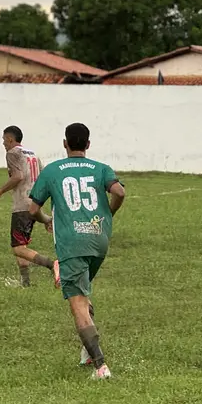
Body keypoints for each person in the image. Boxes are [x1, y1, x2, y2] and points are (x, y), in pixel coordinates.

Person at [28, 123, 126, 381]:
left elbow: (31, 209)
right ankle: (86, 352)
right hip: (98, 240)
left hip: (72, 243)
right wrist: (109, 213)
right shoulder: (101, 168)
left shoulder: (52, 171)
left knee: (78, 305)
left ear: (65, 144)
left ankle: (101, 367)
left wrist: (46, 219)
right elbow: (119, 191)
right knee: (84, 289)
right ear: (88, 145)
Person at [0, 125, 57, 287]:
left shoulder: (12, 153)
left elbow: (18, 176)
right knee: (21, 244)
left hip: (22, 205)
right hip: (34, 202)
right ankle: (25, 283)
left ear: (10, 139)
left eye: (4, 139)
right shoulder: (33, 154)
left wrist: (0, 191)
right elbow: (42, 177)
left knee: (18, 248)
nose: (3, 143)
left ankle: (53, 265)